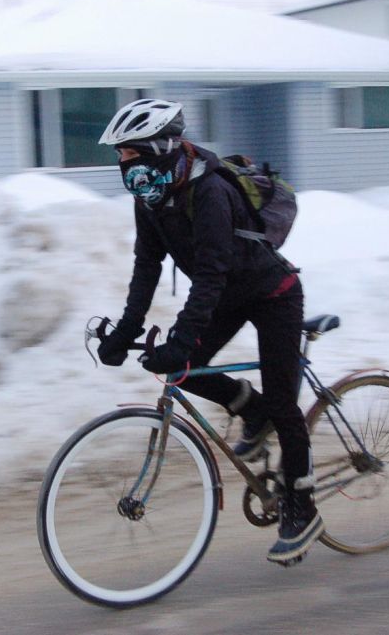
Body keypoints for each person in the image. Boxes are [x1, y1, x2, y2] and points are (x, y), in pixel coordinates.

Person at [94, 98, 323, 566]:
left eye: (130, 154)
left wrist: (180, 336)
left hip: (273, 294)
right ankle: (249, 408)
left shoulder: (211, 192)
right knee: (180, 370)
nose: (123, 166)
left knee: (284, 403)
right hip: (226, 298)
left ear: (160, 148)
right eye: (119, 157)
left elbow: (212, 275)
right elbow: (146, 267)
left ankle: (302, 508)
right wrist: (125, 330)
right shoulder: (152, 200)